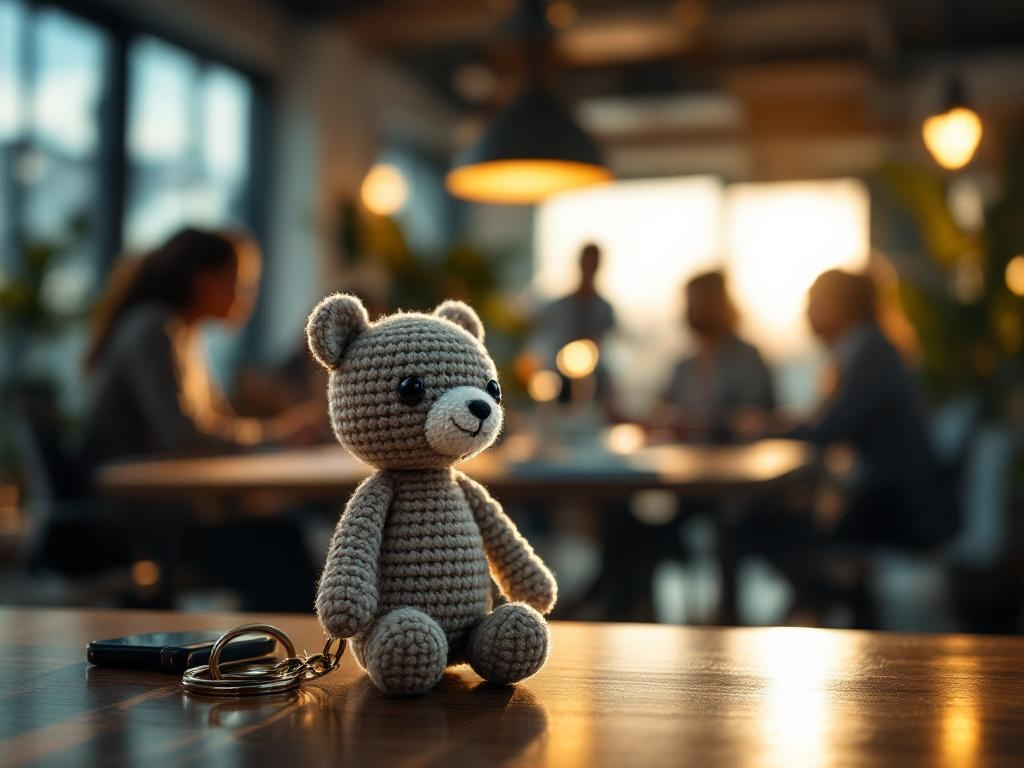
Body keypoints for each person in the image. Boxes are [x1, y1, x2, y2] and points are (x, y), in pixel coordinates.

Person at [77, 227, 317, 611]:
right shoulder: (154, 330)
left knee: (280, 528)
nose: (248, 297)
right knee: (279, 540)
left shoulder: (181, 333)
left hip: (163, 511)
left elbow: (216, 423)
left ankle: (280, 652)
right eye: (240, 284)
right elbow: (184, 435)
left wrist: (277, 433)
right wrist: (278, 435)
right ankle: (291, 655)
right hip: (139, 520)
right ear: (203, 279)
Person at [659, 270, 775, 443]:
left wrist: (701, 424)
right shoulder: (684, 366)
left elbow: (755, 418)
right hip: (688, 463)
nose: (693, 309)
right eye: (690, 302)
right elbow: (663, 410)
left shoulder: (747, 359)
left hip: (739, 463)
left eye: (699, 301)